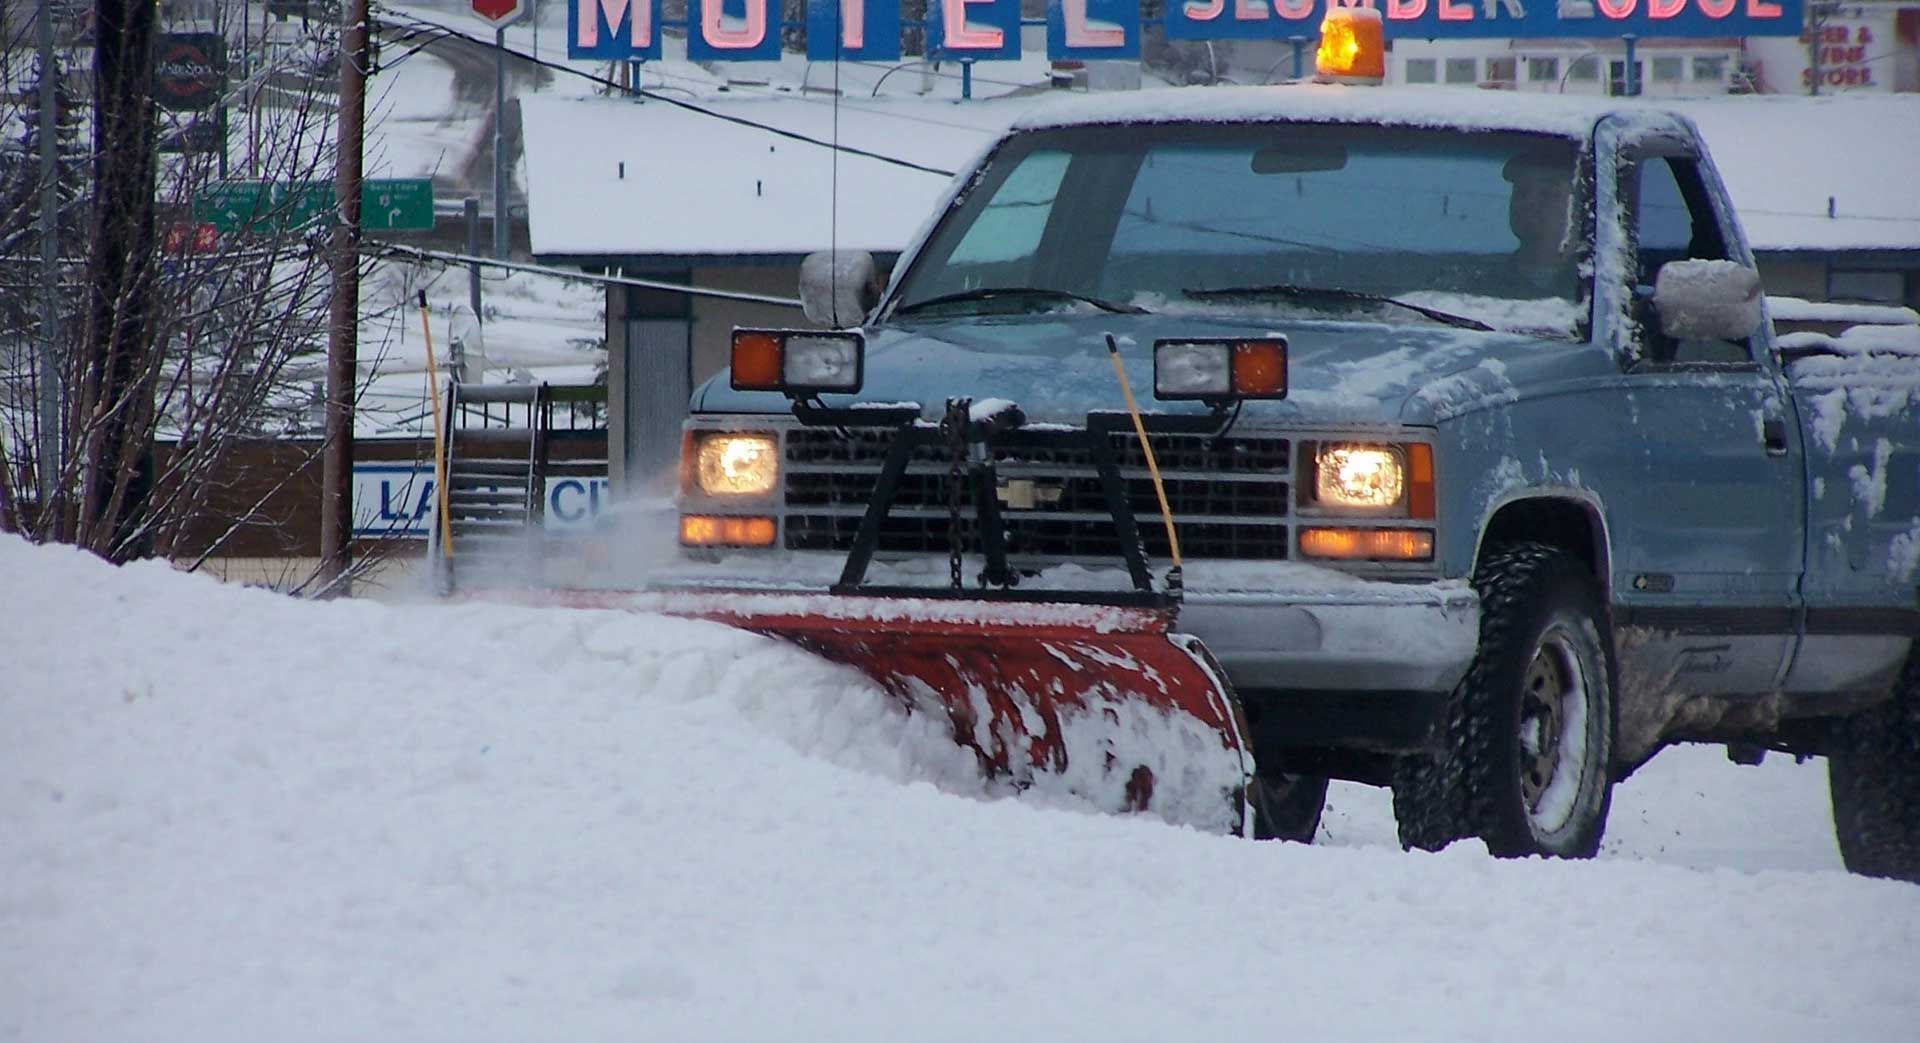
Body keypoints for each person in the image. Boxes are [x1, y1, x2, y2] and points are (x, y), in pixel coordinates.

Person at [1499, 149, 1580, 298]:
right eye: (1522, 191)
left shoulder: (1600, 286)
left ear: (1578, 207)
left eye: (1548, 193)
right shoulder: (1478, 289)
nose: (1529, 202)